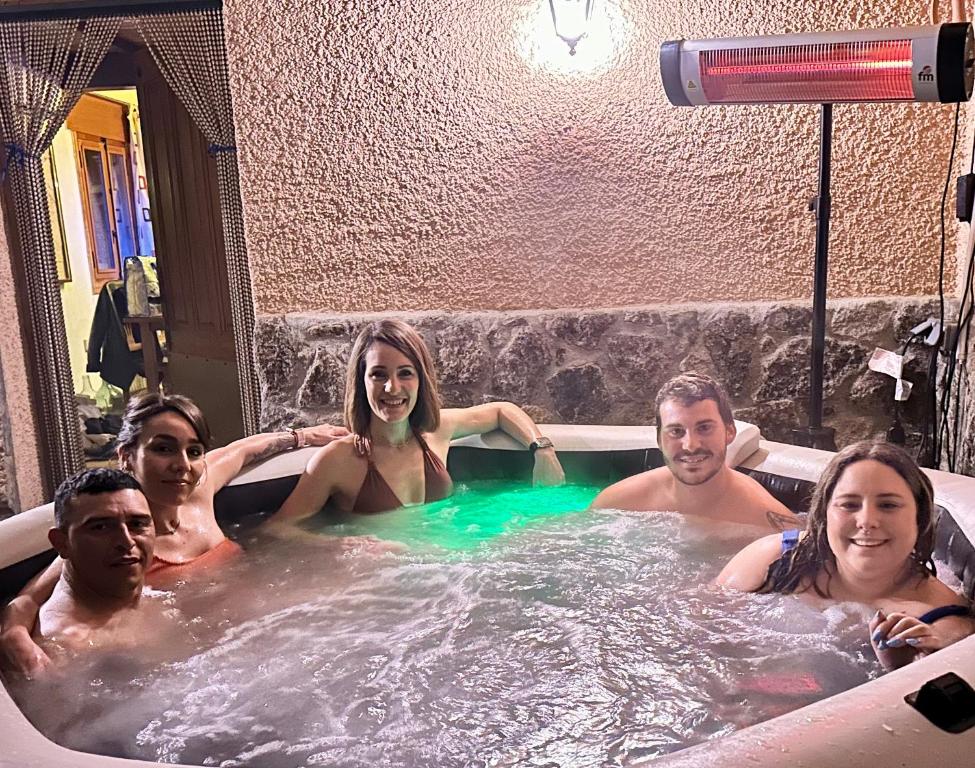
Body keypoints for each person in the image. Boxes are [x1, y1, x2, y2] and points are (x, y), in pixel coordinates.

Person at [1, 392, 348, 677]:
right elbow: (28, 599)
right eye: (162, 449)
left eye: (193, 451)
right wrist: (15, 635)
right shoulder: (122, 540)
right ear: (127, 456)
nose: (183, 464)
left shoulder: (199, 494)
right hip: (211, 658)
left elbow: (240, 451)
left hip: (263, 629)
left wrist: (301, 437)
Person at [267, 319, 566, 531]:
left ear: (421, 380)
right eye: (378, 374)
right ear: (361, 382)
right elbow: (278, 530)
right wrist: (348, 546)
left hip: (445, 582)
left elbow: (502, 410)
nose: (392, 388)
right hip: (385, 593)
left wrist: (542, 450)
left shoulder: (436, 432)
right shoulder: (338, 459)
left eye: (405, 373)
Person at [716, 441, 974, 671]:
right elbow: (699, 628)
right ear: (823, 515)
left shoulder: (942, 622)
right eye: (849, 504)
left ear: (919, 517)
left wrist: (899, 670)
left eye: (888, 505)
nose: (867, 521)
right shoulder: (774, 561)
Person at [590, 373, 799, 529]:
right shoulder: (616, 503)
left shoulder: (769, 522)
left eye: (704, 428)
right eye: (676, 431)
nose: (690, 445)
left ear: (729, 432)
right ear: (659, 440)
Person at [31, 469, 158, 656]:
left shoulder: (149, 586)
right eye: (101, 527)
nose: (126, 542)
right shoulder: (65, 648)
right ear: (61, 543)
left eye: (137, 524)